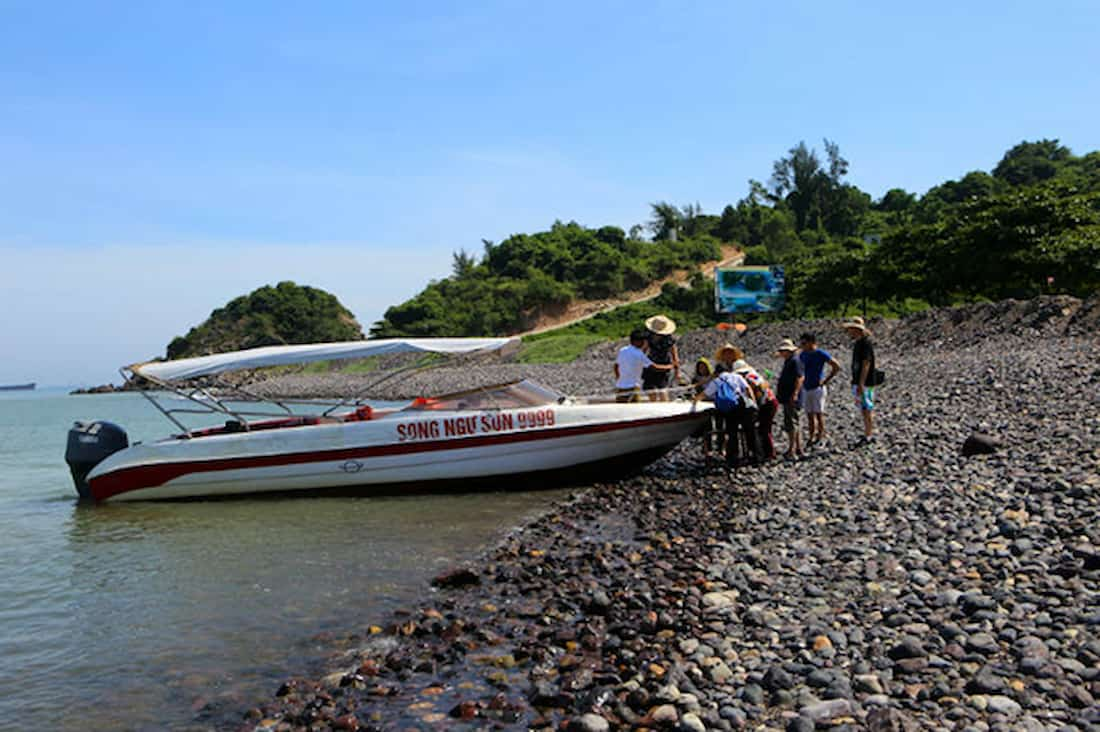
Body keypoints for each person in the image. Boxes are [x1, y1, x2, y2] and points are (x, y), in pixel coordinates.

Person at [698, 364, 760, 468]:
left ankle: (733, 458)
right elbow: (748, 389)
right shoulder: (737, 376)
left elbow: (705, 394)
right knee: (750, 431)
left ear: (716, 373)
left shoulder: (717, 381)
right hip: (743, 406)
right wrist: (753, 403)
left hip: (730, 410)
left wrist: (695, 400)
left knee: (732, 433)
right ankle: (755, 456)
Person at [798, 332, 840, 447]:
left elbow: (836, 366)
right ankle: (811, 436)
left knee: (818, 414)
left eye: (804, 343)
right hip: (806, 387)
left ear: (811, 342)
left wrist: (826, 380)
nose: (802, 346)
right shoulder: (803, 354)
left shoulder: (820, 353)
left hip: (817, 387)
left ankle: (820, 436)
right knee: (809, 414)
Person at [733, 358, 778, 461]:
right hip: (770, 401)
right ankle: (768, 452)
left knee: (764, 429)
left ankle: (769, 454)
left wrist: (755, 406)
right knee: (765, 428)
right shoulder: (755, 375)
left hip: (766, 404)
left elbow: (757, 392)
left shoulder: (748, 378)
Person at [843, 316, 877, 446]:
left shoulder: (865, 344)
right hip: (860, 381)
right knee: (864, 408)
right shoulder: (858, 343)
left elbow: (866, 363)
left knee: (866, 407)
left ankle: (869, 434)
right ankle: (867, 432)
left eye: (851, 329)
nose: (849, 332)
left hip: (866, 382)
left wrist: (861, 383)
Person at [614, 328, 671, 402]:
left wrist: (619, 378)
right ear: (637, 342)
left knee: (620, 406)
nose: (644, 343)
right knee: (635, 407)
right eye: (643, 341)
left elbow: (616, 366)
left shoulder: (623, 350)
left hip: (620, 386)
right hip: (633, 387)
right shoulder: (639, 354)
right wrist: (669, 366)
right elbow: (654, 367)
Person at [773, 338, 805, 458]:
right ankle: (797, 448)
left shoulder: (795, 361)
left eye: (783, 351)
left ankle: (792, 449)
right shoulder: (789, 361)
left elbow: (800, 377)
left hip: (791, 396)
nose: (781, 353)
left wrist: (795, 393)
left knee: (791, 423)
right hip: (787, 396)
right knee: (793, 421)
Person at [642, 314, 680, 400]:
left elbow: (674, 355)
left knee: (662, 389)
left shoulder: (669, 340)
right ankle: (653, 405)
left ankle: (664, 406)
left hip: (664, 365)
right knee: (651, 389)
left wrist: (677, 370)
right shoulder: (649, 337)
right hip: (651, 364)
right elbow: (644, 350)